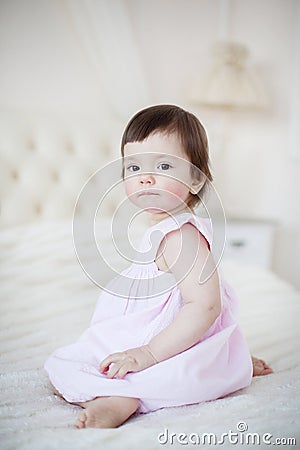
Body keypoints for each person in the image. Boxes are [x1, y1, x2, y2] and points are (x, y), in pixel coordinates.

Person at [44, 104, 272, 429]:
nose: (145, 177)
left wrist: (147, 354)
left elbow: (206, 306)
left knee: (66, 364)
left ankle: (117, 397)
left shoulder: (181, 237)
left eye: (163, 165)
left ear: (195, 180)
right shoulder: (169, 230)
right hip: (172, 337)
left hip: (159, 343)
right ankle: (218, 360)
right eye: (133, 167)